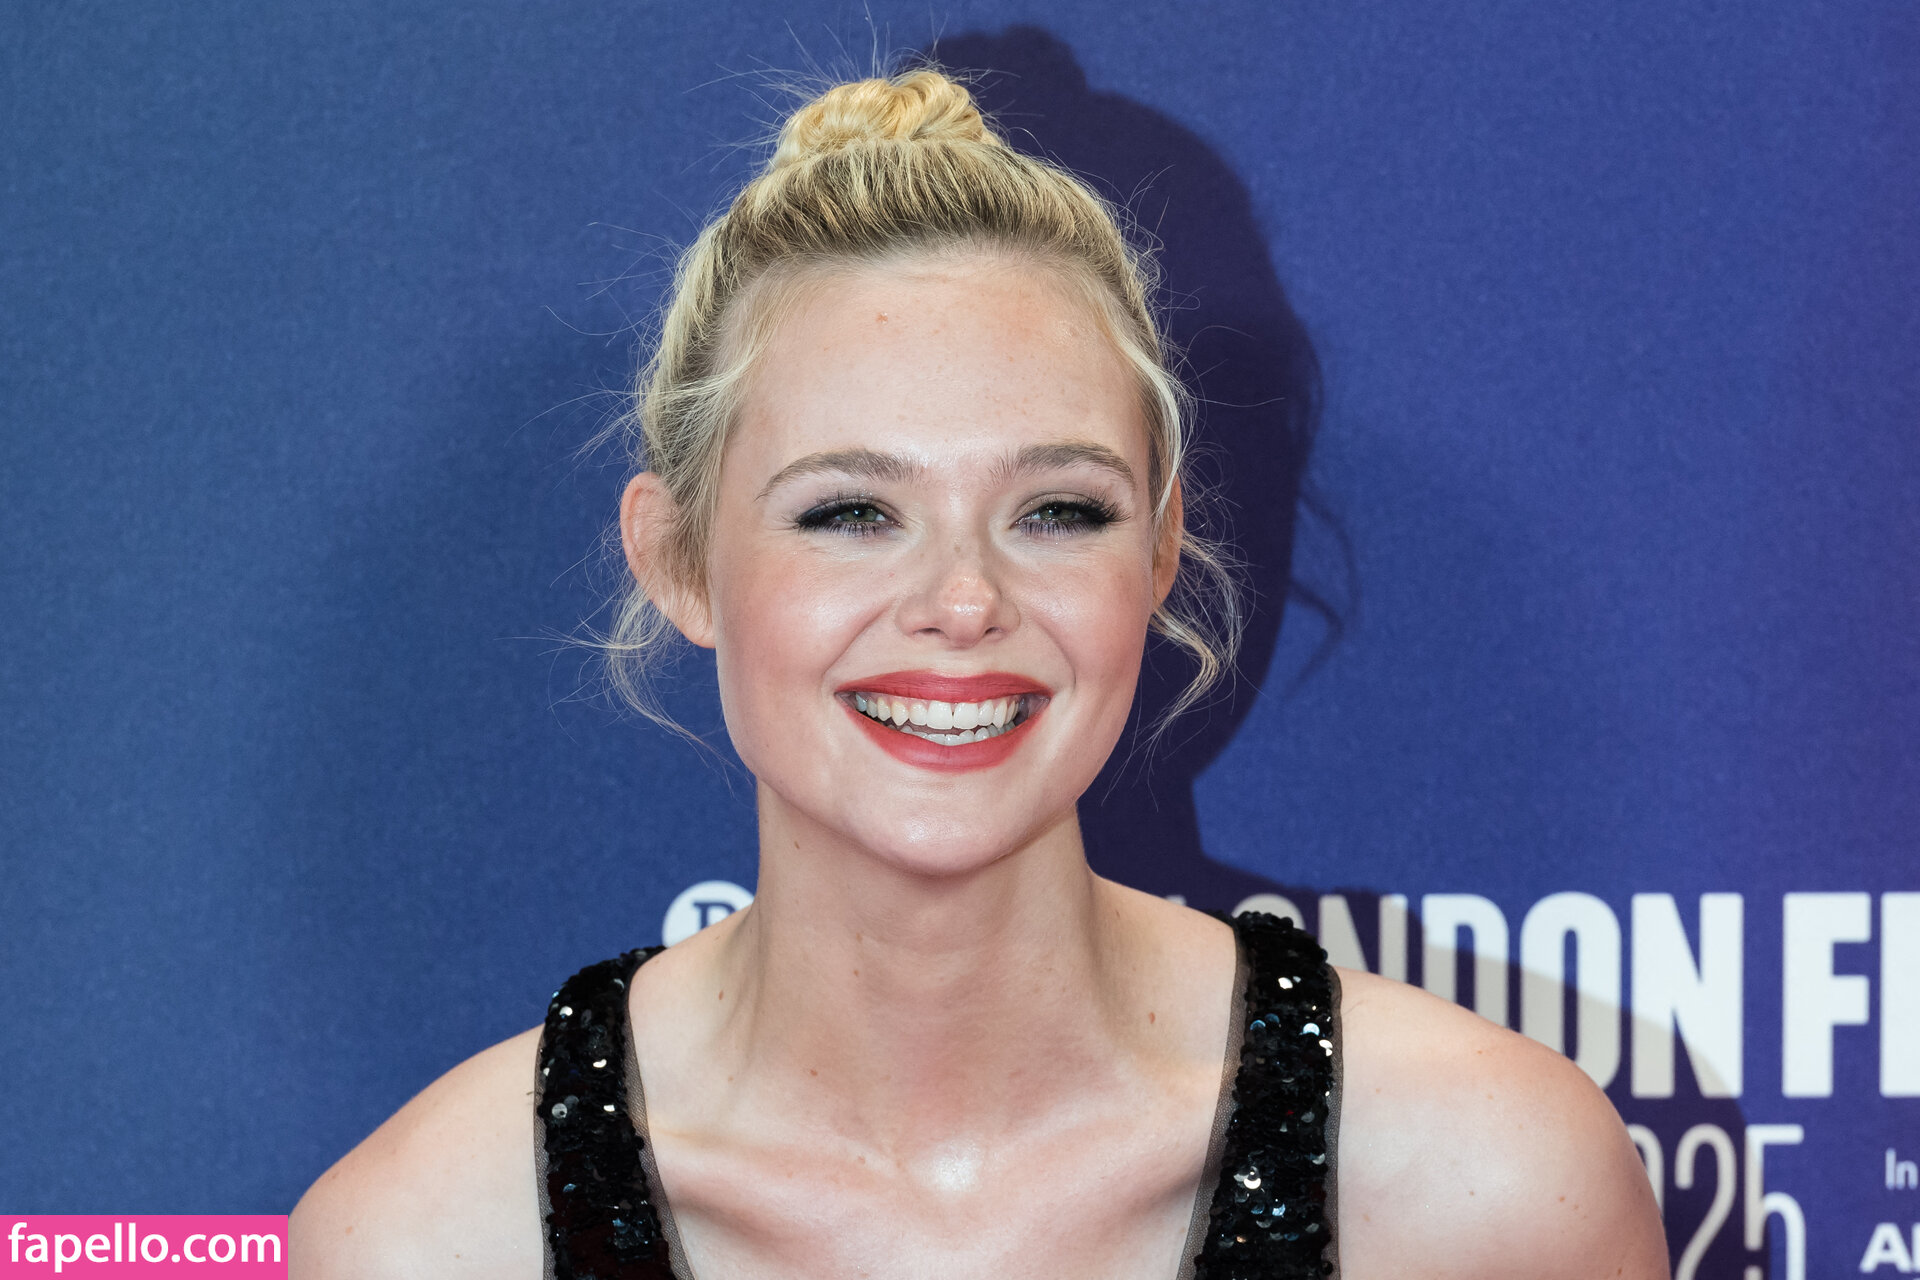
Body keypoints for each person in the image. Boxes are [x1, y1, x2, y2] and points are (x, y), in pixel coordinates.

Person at [290, 68, 1667, 1280]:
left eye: (1056, 511)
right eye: (851, 512)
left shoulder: (1481, 1185)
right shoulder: (433, 1241)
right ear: (681, 560)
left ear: (1159, 552)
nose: (963, 602)